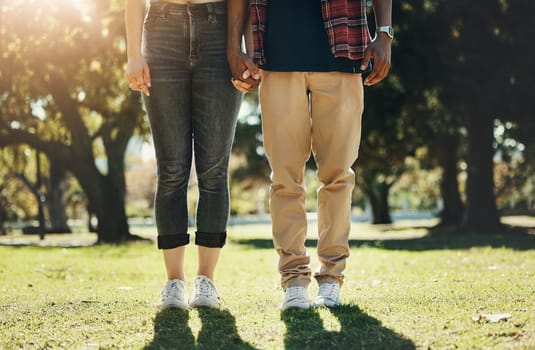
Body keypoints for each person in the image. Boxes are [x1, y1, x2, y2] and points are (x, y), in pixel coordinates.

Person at [228, 0, 393, 309]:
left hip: (343, 53)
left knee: (338, 176)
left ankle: (331, 278)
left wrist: (384, 32)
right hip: (277, 56)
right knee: (285, 179)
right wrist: (235, 47)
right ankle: (294, 280)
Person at [126, 0, 242, 309]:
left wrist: (238, 47)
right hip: (162, 30)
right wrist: (134, 54)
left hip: (219, 29)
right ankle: (174, 282)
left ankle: (206, 281)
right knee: (172, 171)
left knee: (214, 172)